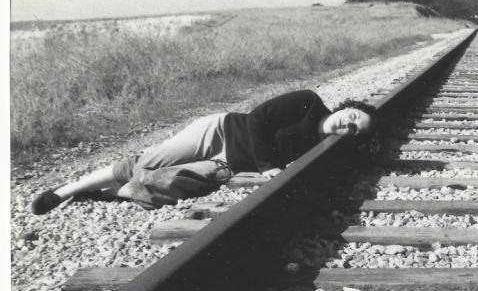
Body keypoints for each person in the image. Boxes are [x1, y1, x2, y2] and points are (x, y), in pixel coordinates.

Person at [31, 91, 377, 214]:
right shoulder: (308, 102)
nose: (347, 126)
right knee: (151, 161)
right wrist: (268, 165)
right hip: (220, 131)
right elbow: (257, 119)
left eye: (353, 130)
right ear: (344, 107)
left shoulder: (324, 148)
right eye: (351, 118)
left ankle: (109, 192)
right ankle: (65, 191)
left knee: (167, 186)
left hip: (226, 162)